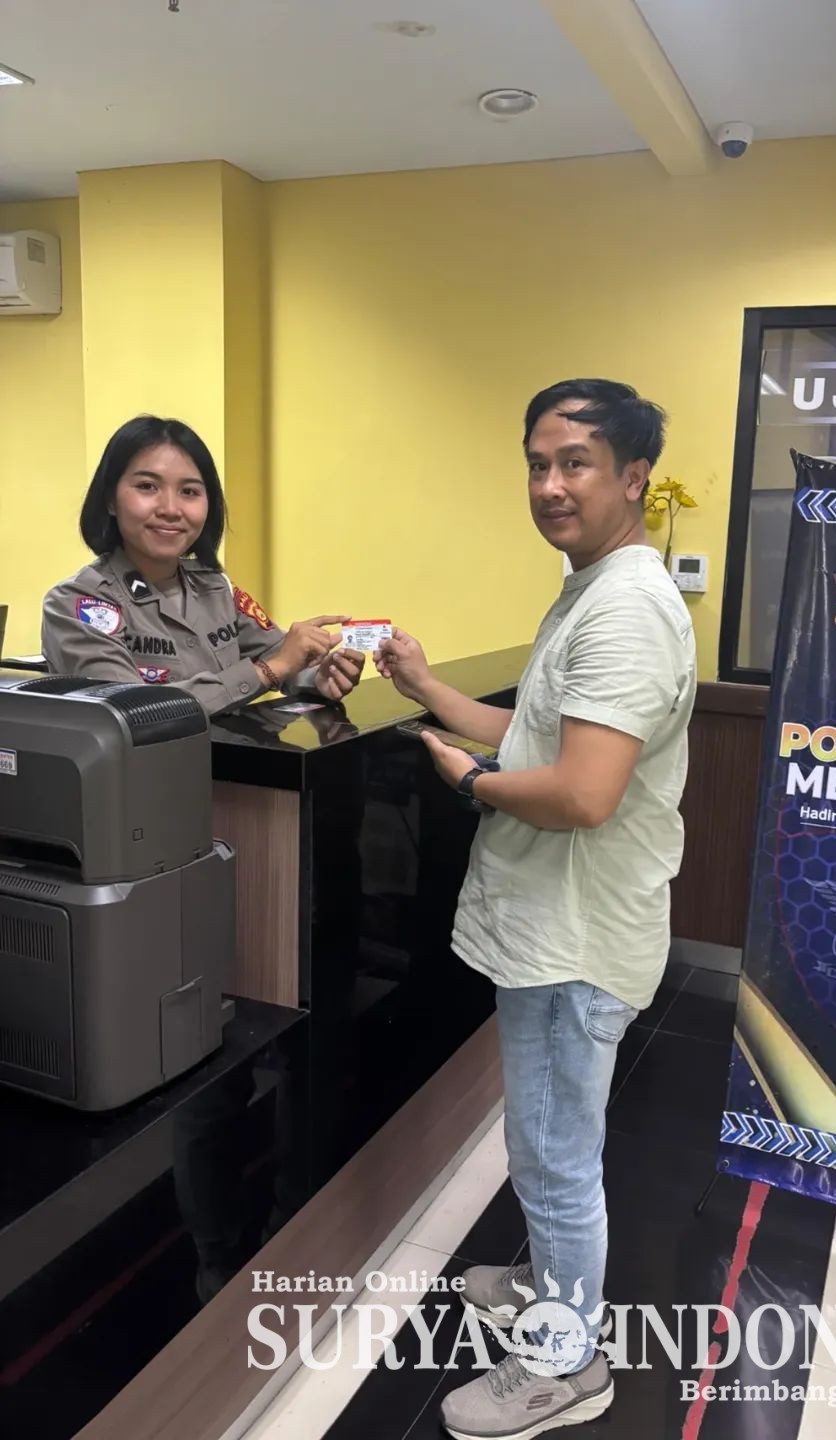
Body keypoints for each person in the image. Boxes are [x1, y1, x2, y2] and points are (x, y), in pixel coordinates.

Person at [375, 379, 696, 1439]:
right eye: (537, 464)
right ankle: (554, 1285)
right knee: (549, 1139)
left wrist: (469, 781)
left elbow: (581, 793)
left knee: (554, 1156)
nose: (551, 486)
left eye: (576, 464)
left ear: (634, 478)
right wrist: (427, 688)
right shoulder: (593, 587)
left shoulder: (627, 610)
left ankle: (568, 1362)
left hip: (575, 937)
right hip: (555, 925)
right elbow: (541, 737)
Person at [41, 416, 363, 716]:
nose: (170, 509)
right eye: (147, 487)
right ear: (110, 499)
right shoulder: (76, 603)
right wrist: (269, 670)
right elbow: (132, 712)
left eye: (189, 492)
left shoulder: (216, 587)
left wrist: (318, 676)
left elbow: (279, 652)